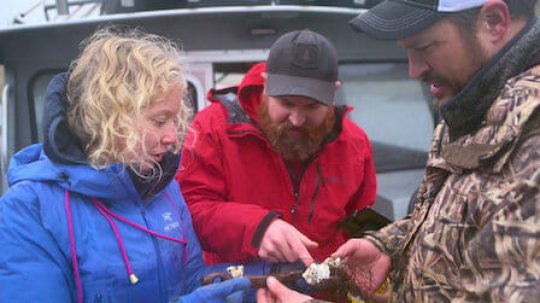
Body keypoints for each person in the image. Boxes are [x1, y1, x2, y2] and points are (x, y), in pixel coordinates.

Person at [257, 0, 540, 302]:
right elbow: (457, 220)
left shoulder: (531, 142)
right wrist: (386, 245)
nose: (413, 69)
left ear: (494, 22)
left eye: (424, 47)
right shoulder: (468, 110)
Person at [0, 26, 254, 303]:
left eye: (175, 120)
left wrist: (268, 284)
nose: (172, 138)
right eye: (159, 121)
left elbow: (192, 281)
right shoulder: (28, 209)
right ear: (109, 117)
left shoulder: (162, 187)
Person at [177, 29, 376, 268]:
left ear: (333, 92)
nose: (297, 119)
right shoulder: (213, 129)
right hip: (239, 289)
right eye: (286, 103)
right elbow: (189, 208)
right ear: (265, 84)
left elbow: (359, 217)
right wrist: (256, 228)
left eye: (312, 107)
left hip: (323, 291)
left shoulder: (354, 143)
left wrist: (374, 245)